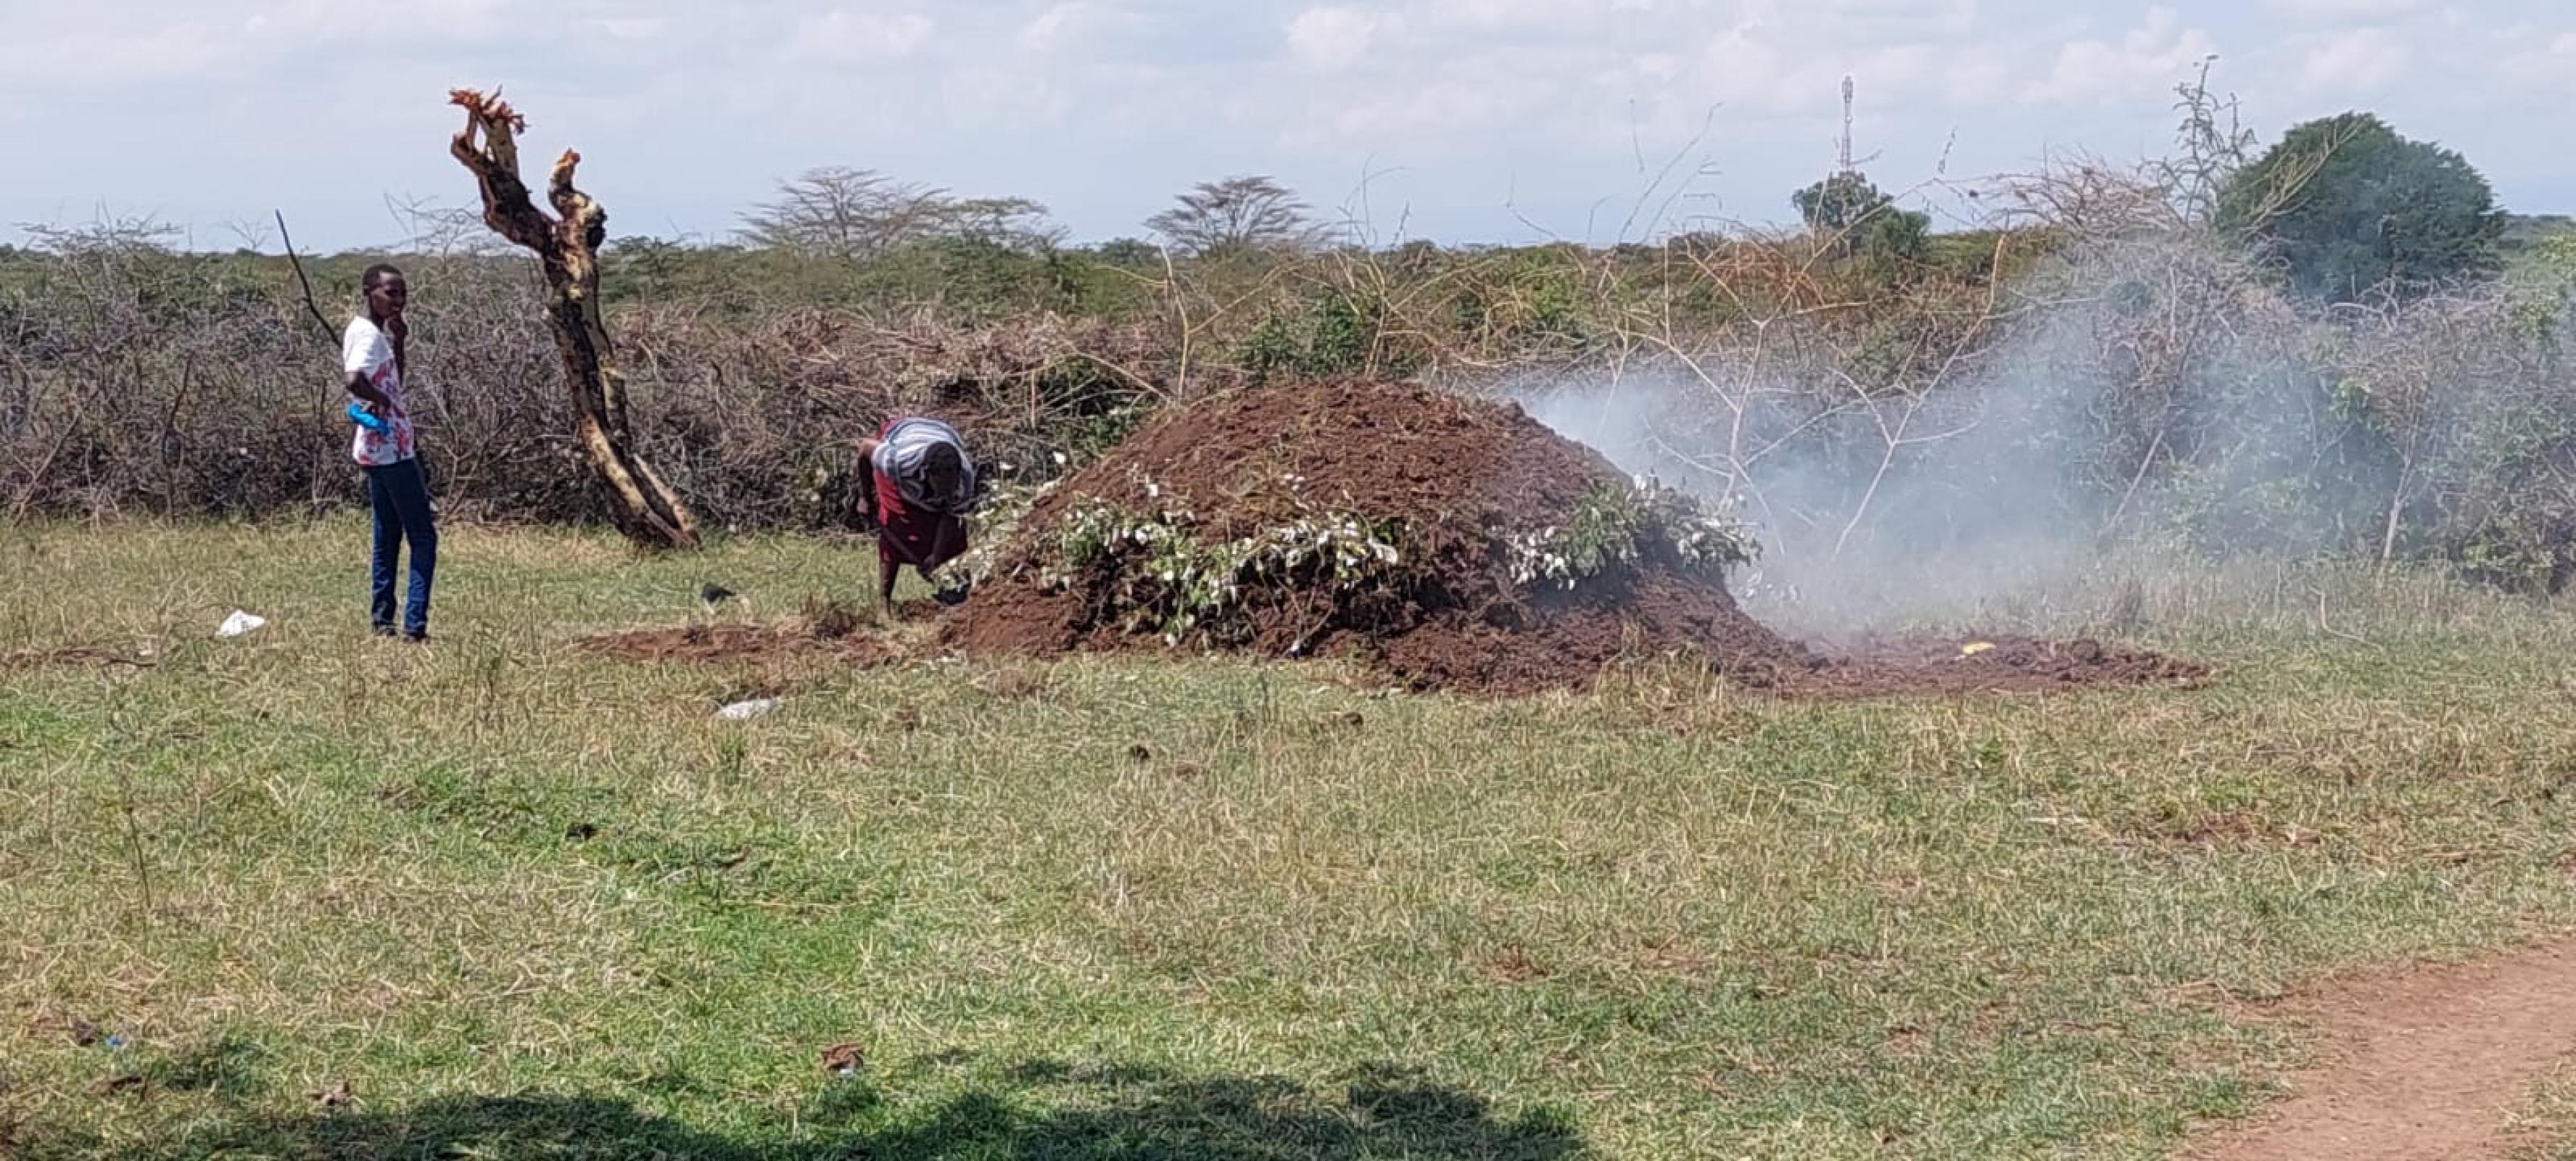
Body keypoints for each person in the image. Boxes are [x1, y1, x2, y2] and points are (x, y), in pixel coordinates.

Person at [342, 263, 436, 641]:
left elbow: (392, 379)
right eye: (389, 293)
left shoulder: (365, 331)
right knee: (423, 537)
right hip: (393, 450)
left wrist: (399, 342)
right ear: (370, 292)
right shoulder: (368, 335)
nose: (397, 300)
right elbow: (355, 380)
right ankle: (414, 626)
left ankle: (382, 622)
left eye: (401, 293)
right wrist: (381, 403)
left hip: (373, 448)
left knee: (387, 535)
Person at [857, 416, 980, 612]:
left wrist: (935, 556)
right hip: (902, 434)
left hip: (942, 432)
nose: (947, 491)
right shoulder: (897, 462)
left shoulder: (965, 483)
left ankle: (958, 594)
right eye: (941, 486)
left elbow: (949, 517)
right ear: (927, 473)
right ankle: (884, 603)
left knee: (955, 540)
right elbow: (865, 448)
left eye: (951, 485)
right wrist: (865, 498)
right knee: (898, 526)